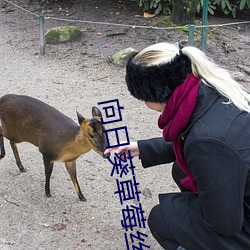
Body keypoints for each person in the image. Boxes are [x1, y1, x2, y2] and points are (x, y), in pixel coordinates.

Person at [104, 42, 250, 250]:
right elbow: (200, 139)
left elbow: (225, 224)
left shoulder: (207, 142)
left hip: (241, 223)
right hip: (241, 187)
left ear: (155, 93)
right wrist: (143, 148)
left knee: (163, 218)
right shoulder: (210, 88)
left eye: (143, 98)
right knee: (181, 170)